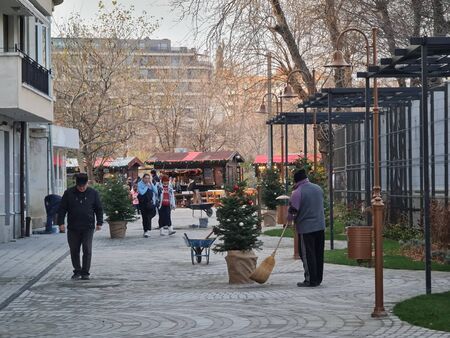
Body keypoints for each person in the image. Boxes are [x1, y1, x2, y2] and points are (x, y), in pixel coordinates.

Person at [57, 173, 103, 280]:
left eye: (83, 186)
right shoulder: (68, 193)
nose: (82, 188)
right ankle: (77, 270)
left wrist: (99, 222)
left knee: (87, 249)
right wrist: (61, 223)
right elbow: (62, 209)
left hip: (88, 226)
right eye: (79, 186)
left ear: (87, 183)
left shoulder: (93, 193)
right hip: (73, 227)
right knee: (74, 249)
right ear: (76, 184)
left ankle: (85, 272)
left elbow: (99, 208)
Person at [288, 169, 325, 287]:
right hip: (320, 226)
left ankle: (310, 280)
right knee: (318, 253)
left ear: (296, 181)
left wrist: (289, 219)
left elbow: (293, 212)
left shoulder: (297, 192)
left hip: (306, 228)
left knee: (307, 254)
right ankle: (318, 278)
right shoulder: (318, 188)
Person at [138, 173, 158, 238]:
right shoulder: (139, 184)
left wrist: (151, 184)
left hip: (150, 203)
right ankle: (146, 230)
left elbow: (156, 191)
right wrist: (146, 186)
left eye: (148, 178)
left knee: (150, 215)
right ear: (143, 178)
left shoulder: (150, 184)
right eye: (146, 178)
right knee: (144, 217)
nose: (147, 179)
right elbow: (142, 192)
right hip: (143, 203)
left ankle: (147, 229)